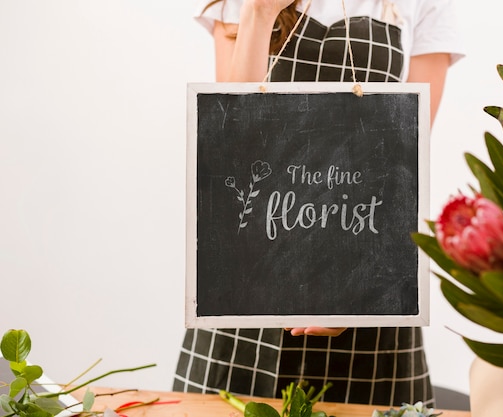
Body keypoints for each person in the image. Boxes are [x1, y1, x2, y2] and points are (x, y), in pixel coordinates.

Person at [174, 0, 464, 408]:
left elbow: (403, 160)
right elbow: (233, 139)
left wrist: (350, 291)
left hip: (364, 274)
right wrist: (259, 12)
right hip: (248, 281)